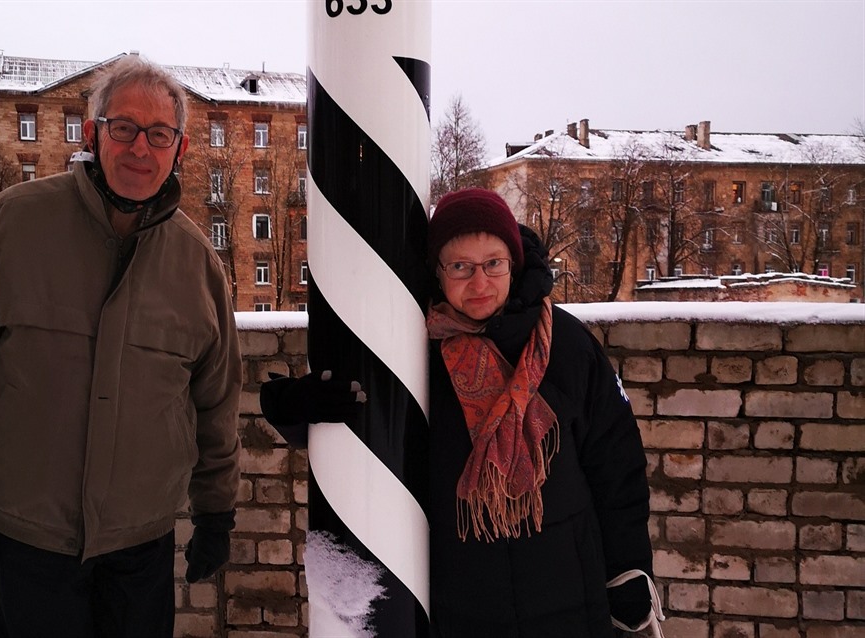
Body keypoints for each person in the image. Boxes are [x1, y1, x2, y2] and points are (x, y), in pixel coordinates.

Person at [0, 55, 242, 637]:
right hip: (30, 547)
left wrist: (216, 511)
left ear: (182, 148)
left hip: (139, 548)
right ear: (93, 133)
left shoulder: (197, 262)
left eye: (159, 134)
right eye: (123, 128)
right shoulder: (10, 227)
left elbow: (216, 400)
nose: (139, 149)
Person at [261, 188, 662, 637]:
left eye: (494, 263)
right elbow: (353, 417)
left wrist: (629, 572)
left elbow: (617, 469)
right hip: (460, 599)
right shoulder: (411, 353)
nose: (480, 282)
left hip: (569, 592)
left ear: (514, 262)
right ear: (437, 272)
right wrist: (293, 405)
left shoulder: (567, 345)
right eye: (460, 267)